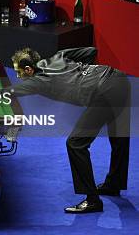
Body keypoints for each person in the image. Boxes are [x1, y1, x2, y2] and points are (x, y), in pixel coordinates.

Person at [10, 47, 130, 213]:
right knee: (119, 138)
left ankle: (92, 200)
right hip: (120, 79)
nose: (18, 76)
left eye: (19, 72)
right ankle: (114, 184)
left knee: (75, 143)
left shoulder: (36, 82)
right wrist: (82, 74)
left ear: (29, 70)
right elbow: (91, 51)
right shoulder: (59, 55)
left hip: (105, 92)